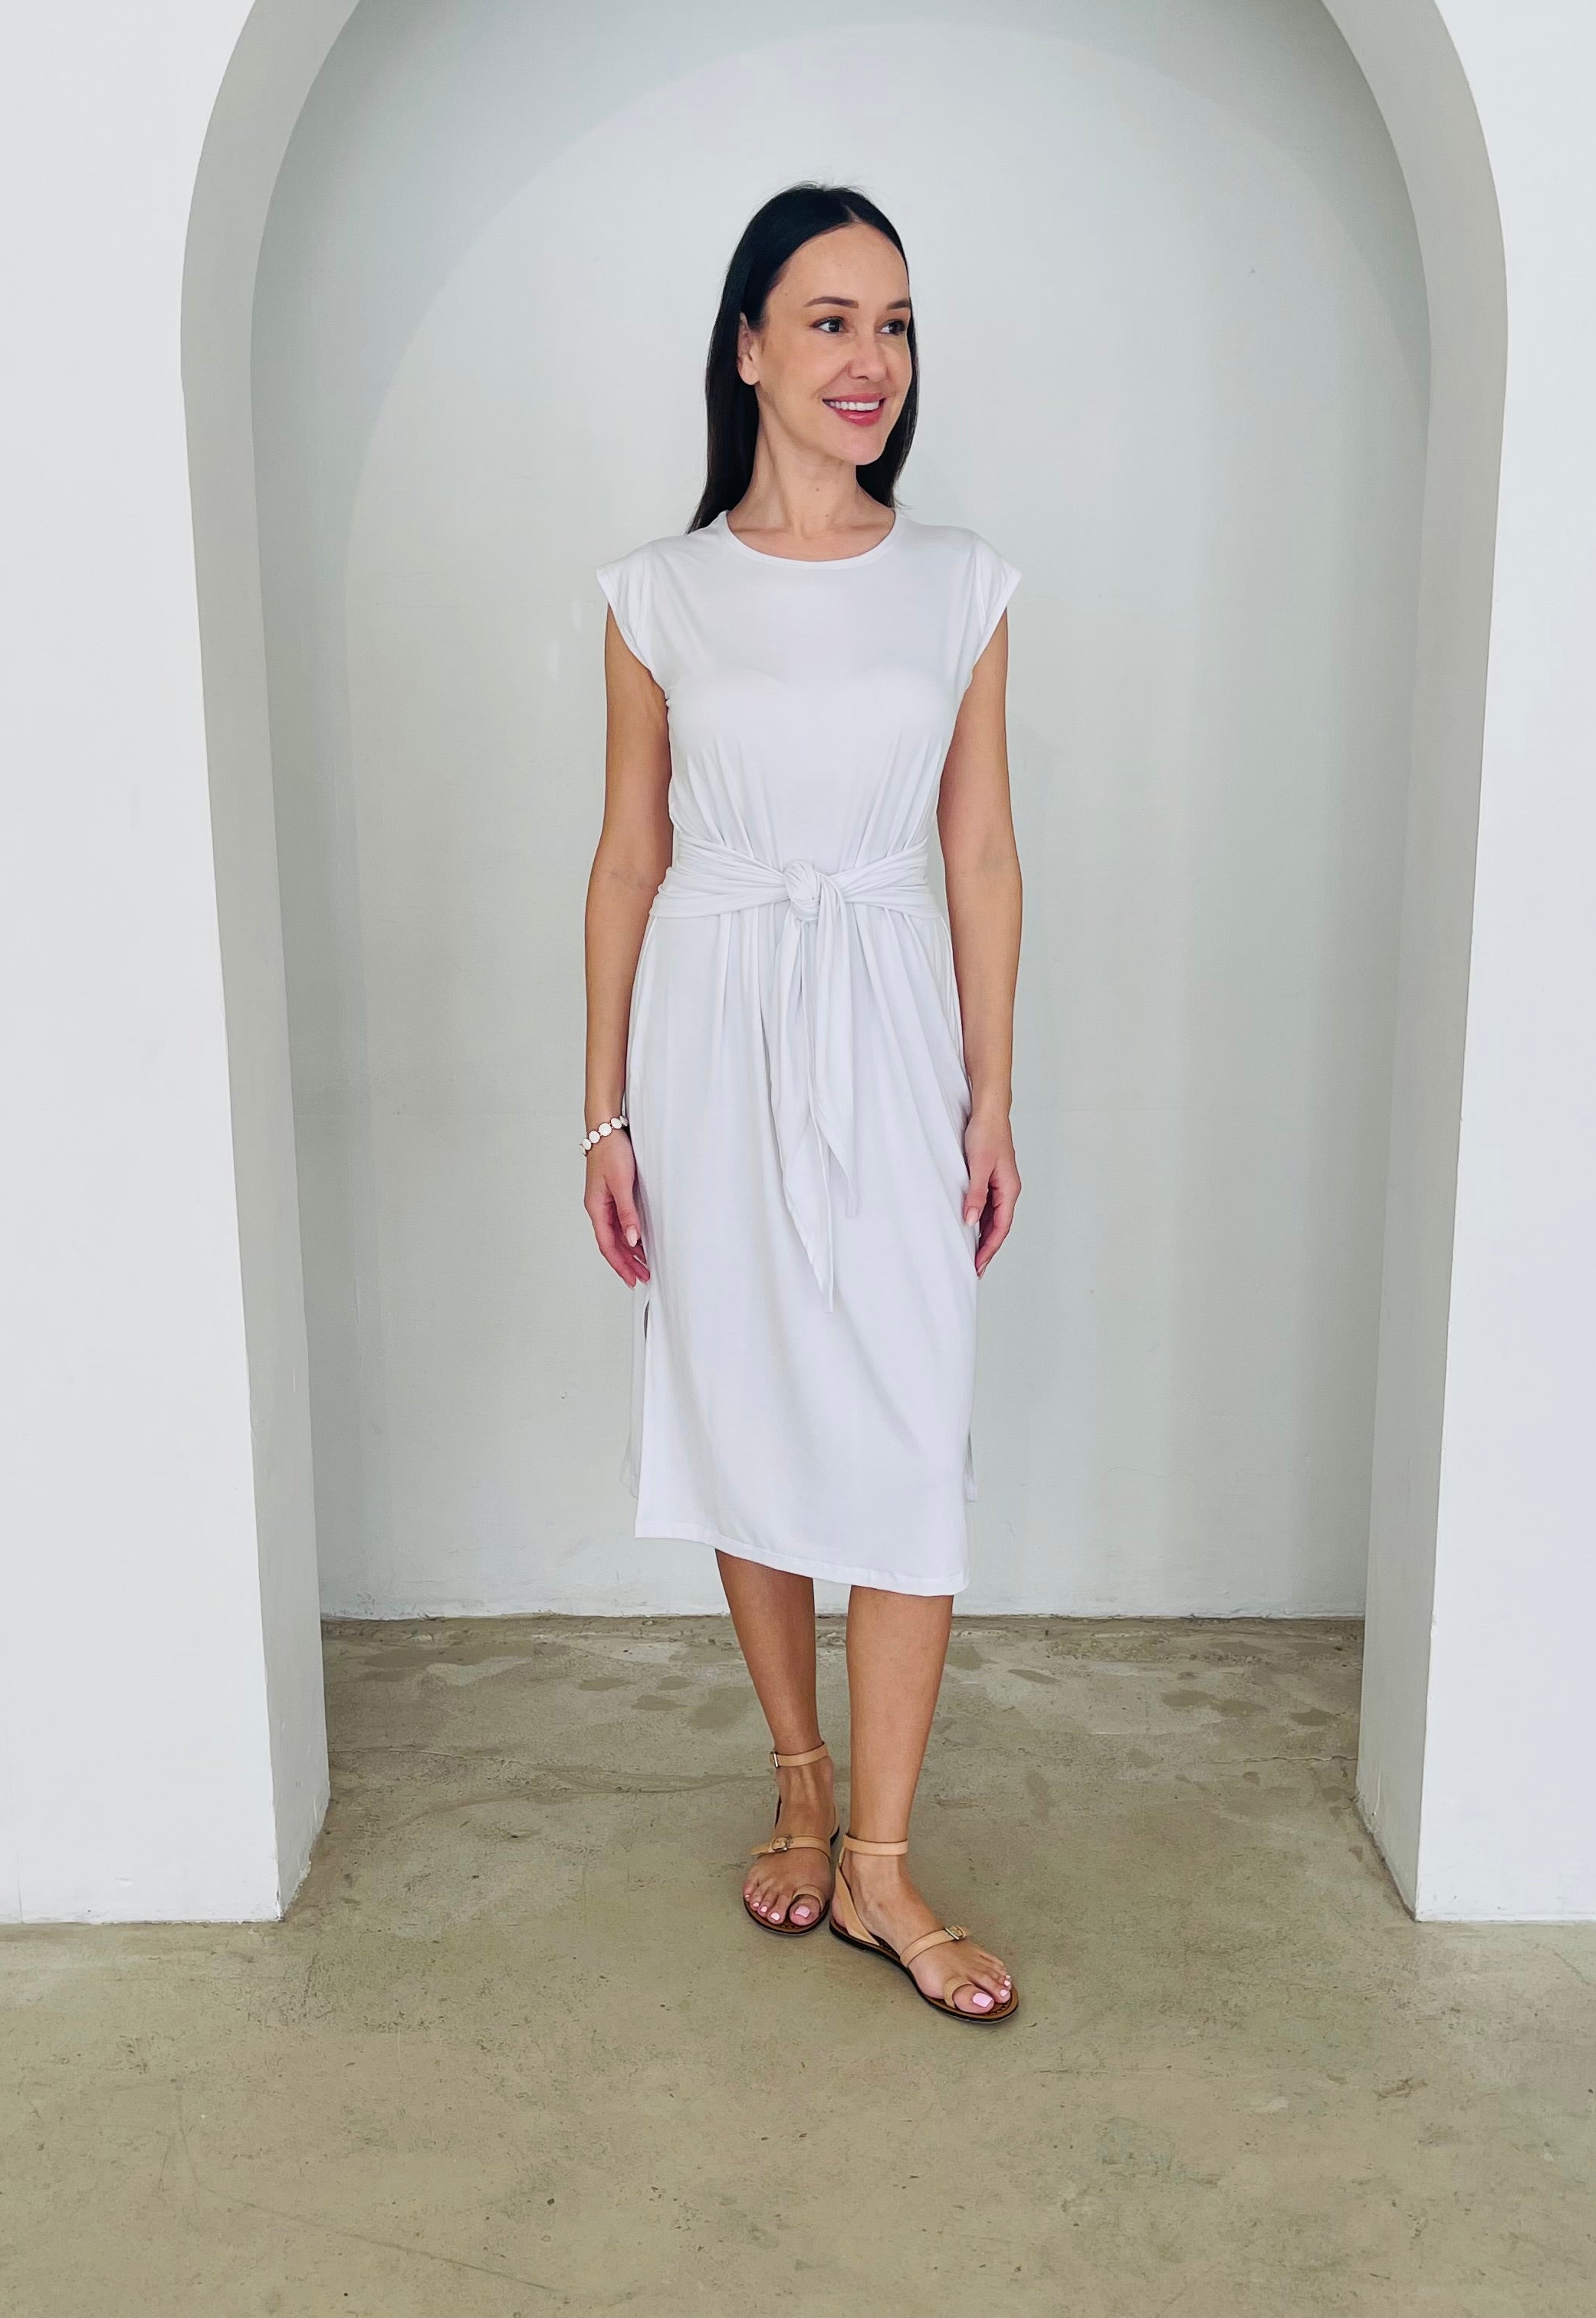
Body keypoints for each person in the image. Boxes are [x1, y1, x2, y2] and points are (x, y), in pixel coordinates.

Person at [582, 185, 1023, 2023]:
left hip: (891, 1015)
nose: (872, 361)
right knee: (748, 1392)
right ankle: (799, 1782)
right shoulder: (658, 592)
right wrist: (599, 1115)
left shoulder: (963, 582)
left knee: (911, 1424)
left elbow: (982, 846)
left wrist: (993, 1095)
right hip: (713, 1021)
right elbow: (626, 853)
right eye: (832, 319)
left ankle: (885, 1871)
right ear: (749, 343)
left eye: (899, 324)